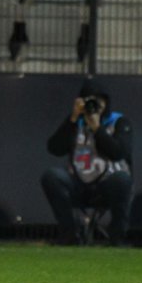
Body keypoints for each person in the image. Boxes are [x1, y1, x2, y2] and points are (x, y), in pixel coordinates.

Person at [40, 78, 133, 246]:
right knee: (51, 176)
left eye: (99, 101)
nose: (94, 106)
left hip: (107, 185)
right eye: (89, 101)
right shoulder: (76, 123)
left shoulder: (118, 121)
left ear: (106, 102)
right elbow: (54, 148)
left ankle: (117, 237)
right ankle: (70, 233)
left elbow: (119, 152)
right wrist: (72, 119)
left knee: (123, 179)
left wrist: (98, 129)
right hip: (78, 184)